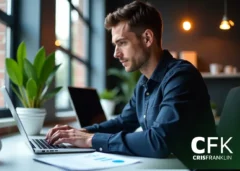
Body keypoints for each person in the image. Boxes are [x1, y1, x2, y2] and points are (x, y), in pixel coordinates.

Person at [46, 0, 218, 169]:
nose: (116, 54)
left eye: (122, 43)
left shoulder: (181, 76)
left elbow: (159, 141)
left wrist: (91, 140)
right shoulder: (144, 84)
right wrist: (81, 132)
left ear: (147, 38)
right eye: (115, 45)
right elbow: (123, 122)